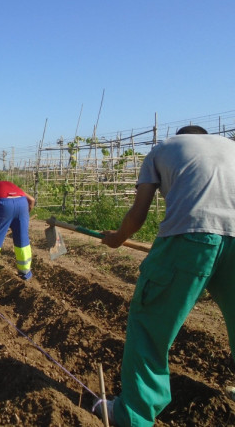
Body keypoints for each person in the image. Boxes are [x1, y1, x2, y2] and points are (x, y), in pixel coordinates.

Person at [98, 125, 235, 426]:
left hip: (189, 235)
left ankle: (132, 415)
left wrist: (117, 238)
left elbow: (138, 213)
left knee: (148, 322)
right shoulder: (230, 147)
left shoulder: (162, 150)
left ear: (180, 136)